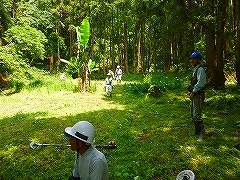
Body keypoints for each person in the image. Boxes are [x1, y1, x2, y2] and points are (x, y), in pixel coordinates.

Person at [188, 52, 207, 141]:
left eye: (194, 59)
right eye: (191, 59)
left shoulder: (200, 70)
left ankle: (201, 134)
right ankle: (197, 131)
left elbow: (201, 83)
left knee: (197, 115)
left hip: (198, 95)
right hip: (194, 94)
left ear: (198, 60)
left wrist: (194, 91)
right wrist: (190, 91)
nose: (192, 60)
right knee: (192, 113)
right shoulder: (195, 70)